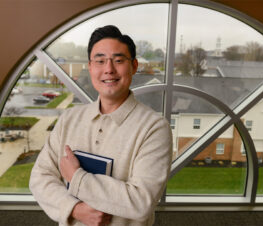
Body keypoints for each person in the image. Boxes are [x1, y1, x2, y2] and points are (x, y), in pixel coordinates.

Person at [29, 25, 172, 226]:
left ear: (134, 66)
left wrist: (77, 178)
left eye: (119, 60)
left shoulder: (154, 128)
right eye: (100, 60)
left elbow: (141, 202)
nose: (109, 69)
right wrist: (75, 210)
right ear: (90, 66)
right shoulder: (69, 119)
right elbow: (40, 177)